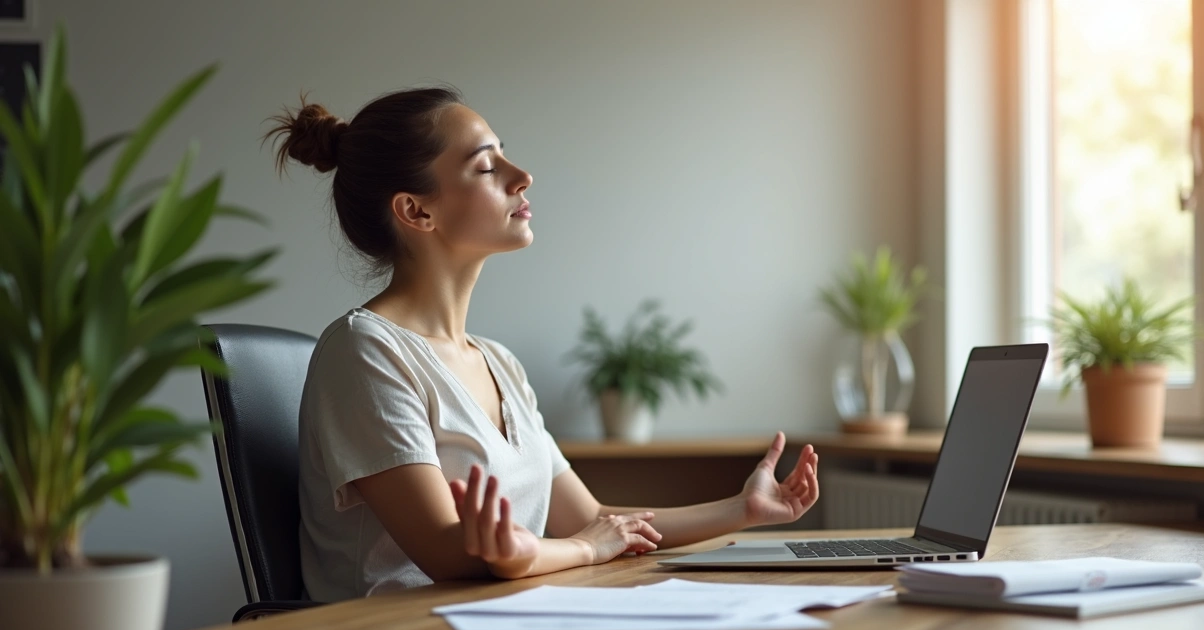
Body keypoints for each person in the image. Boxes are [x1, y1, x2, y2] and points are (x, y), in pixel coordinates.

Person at [266, 86, 820, 603]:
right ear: (416, 211)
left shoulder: (499, 363)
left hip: (506, 616)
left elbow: (593, 517)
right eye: (486, 166)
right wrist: (584, 549)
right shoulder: (364, 351)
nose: (522, 175)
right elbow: (447, 553)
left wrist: (743, 510)